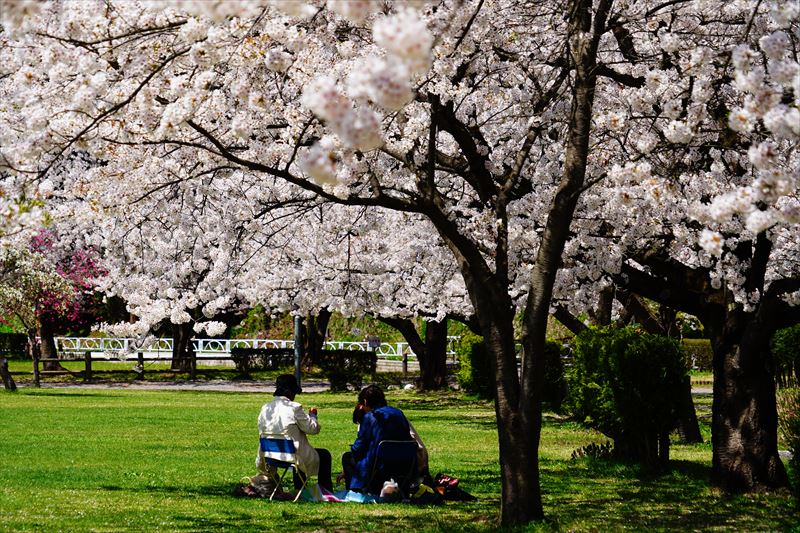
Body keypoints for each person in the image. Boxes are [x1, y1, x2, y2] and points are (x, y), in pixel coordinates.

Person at [341, 384, 428, 493]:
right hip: (405, 462)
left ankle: (354, 490)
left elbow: (359, 446)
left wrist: (354, 450)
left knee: (347, 457)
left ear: (366, 402)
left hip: (380, 464)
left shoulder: (370, 417)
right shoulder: (398, 413)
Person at [256, 374, 333, 491]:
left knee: (296, 449)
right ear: (290, 392)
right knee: (324, 455)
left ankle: (299, 488)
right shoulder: (294, 408)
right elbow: (312, 429)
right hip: (291, 455)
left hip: (270, 455)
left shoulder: (266, 408)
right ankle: (325, 490)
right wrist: (313, 416)